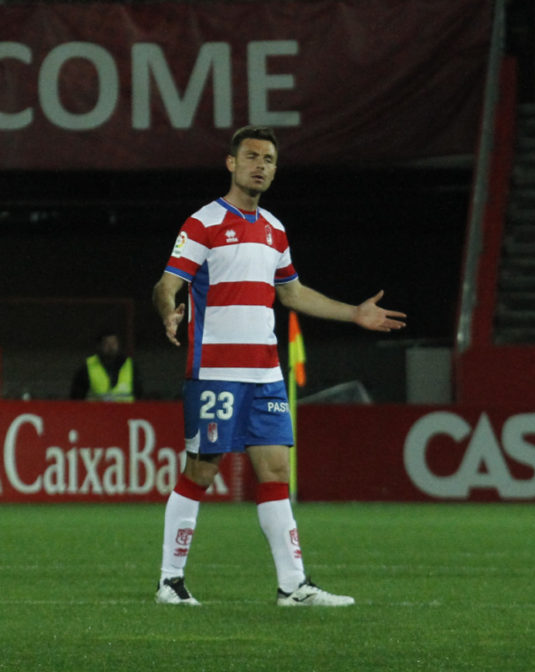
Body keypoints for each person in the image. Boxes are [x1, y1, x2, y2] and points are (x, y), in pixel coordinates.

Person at [152, 126, 406, 607]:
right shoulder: (202, 223)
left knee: (274, 472)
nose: (260, 166)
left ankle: (293, 586)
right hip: (217, 372)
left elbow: (291, 292)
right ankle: (170, 580)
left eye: (268, 159)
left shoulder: (275, 229)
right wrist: (169, 308)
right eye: (251, 157)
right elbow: (167, 282)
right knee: (202, 471)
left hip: (265, 371)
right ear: (231, 163)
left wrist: (354, 312)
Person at [70, 330, 142, 401]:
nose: (111, 347)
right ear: (99, 346)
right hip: (97, 412)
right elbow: (77, 398)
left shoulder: (130, 366)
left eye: (114, 343)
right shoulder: (86, 369)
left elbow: (139, 394)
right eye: (106, 343)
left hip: (126, 412)